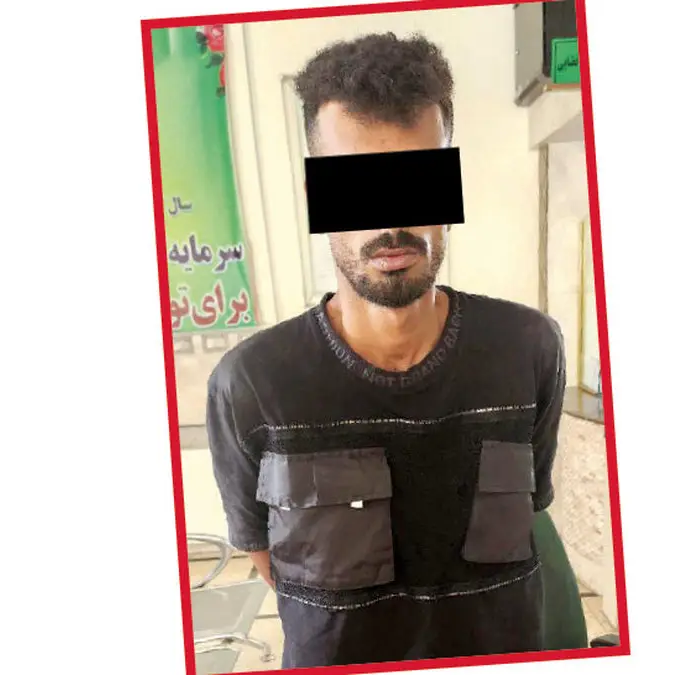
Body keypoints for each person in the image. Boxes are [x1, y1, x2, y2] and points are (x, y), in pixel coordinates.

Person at [205, 32, 568, 668]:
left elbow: (532, 505)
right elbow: (265, 555)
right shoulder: (250, 383)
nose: (390, 223)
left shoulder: (529, 349)